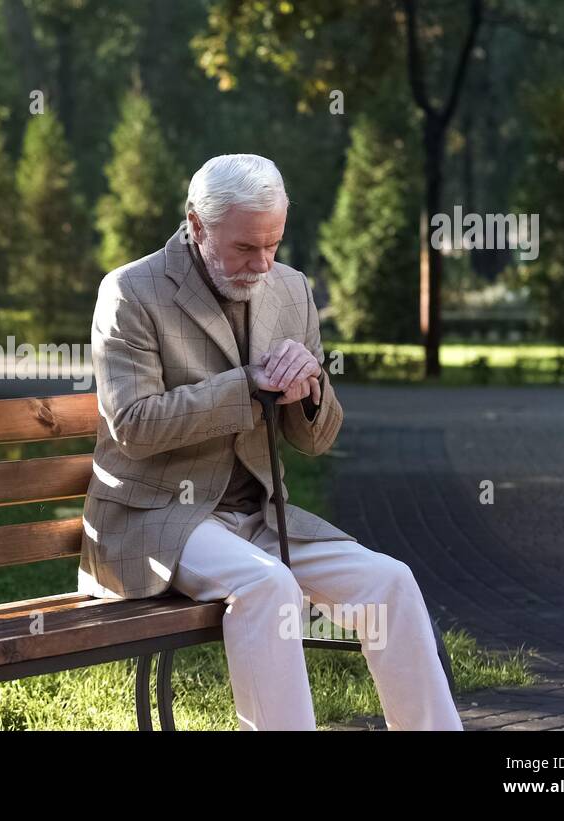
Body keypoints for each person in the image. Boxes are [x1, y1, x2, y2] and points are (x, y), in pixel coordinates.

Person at [77, 153, 462, 731]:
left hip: (259, 518)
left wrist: (306, 391)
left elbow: (315, 439)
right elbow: (132, 425)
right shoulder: (132, 291)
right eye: (244, 249)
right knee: (267, 583)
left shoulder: (291, 289)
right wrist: (245, 386)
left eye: (272, 245)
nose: (261, 264)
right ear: (197, 224)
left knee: (391, 582)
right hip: (157, 516)